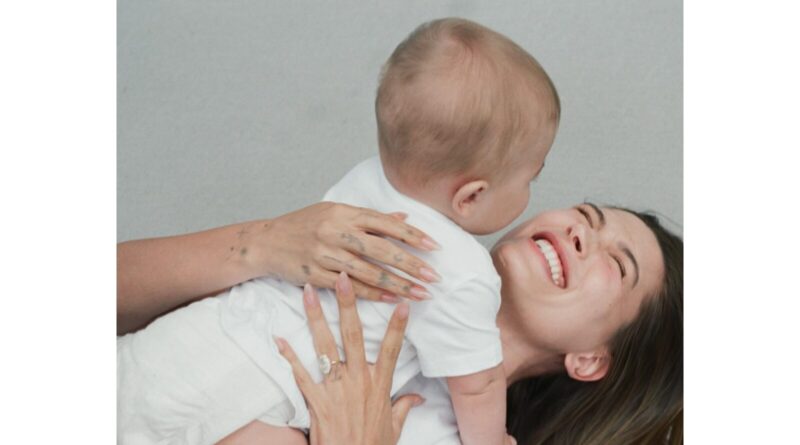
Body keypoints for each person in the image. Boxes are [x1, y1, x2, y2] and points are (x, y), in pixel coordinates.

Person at [118, 17, 559, 445]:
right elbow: (478, 385)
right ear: (470, 196)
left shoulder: (363, 182)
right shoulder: (465, 270)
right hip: (256, 391)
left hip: (191, 335)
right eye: (530, 179)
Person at [118, 202, 682, 444]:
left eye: (617, 263)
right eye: (584, 216)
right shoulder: (373, 251)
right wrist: (260, 242)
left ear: (590, 359)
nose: (581, 233)